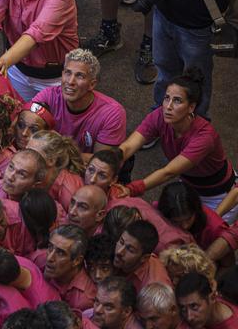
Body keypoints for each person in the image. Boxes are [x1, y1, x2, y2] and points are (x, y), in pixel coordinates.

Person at [120, 69, 235, 213]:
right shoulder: (159, 116)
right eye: (167, 98)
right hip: (189, 186)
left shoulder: (205, 136)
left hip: (219, 196)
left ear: (191, 107)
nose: (168, 106)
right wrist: (107, 164)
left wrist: (131, 189)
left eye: (177, 101)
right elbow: (129, 146)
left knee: (208, 234)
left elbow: (169, 172)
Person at [32, 49, 127, 154]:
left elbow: (99, 162)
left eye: (79, 76)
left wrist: (57, 147)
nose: (70, 81)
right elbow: (28, 128)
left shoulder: (112, 114)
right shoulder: (48, 96)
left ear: (92, 84)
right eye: (68, 73)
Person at [44, 225, 97, 311]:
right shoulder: (39, 262)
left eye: (60, 253)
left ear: (77, 260)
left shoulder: (84, 300)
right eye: (50, 247)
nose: (49, 258)